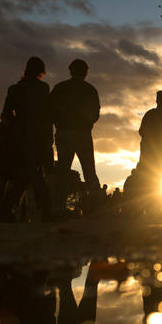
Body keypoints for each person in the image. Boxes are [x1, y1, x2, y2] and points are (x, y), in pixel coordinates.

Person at [0, 56, 53, 222]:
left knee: (28, 173)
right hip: (38, 137)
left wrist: (15, 128)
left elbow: (5, 116)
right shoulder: (43, 88)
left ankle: (9, 206)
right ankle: (44, 210)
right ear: (41, 71)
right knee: (33, 174)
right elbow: (47, 115)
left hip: (19, 138)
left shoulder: (15, 89)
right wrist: (48, 140)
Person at [49, 59, 101, 215]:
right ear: (86, 72)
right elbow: (95, 114)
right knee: (89, 170)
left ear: (70, 71)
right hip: (82, 134)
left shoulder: (60, 88)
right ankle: (96, 206)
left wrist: (60, 123)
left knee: (63, 172)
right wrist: (85, 123)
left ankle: (58, 207)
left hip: (64, 132)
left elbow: (50, 110)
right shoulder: (90, 90)